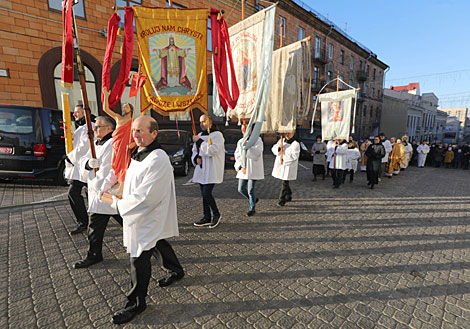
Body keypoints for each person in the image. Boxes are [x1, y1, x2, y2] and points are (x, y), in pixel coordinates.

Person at [101, 116, 184, 324]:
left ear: (154, 133)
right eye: (134, 130)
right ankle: (176, 269)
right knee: (156, 243)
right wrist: (117, 191)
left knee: (139, 257)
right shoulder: (138, 153)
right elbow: (132, 182)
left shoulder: (158, 158)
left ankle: (136, 303)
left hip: (148, 214)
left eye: (141, 131)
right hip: (139, 212)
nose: (136, 135)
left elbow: (147, 196)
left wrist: (117, 203)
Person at [74, 116, 122, 268]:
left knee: (133, 224)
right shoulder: (94, 143)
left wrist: (103, 186)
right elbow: (83, 160)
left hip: (109, 192)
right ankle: (94, 254)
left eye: (98, 127)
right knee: (94, 226)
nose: (94, 129)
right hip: (98, 193)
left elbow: (114, 169)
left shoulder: (114, 144)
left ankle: (163, 255)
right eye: (94, 127)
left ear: (110, 128)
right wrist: (88, 164)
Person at [64, 105, 94, 235]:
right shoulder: (79, 127)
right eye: (74, 112)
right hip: (78, 167)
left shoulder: (90, 126)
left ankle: (102, 218)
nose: (75, 115)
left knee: (92, 194)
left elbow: (84, 146)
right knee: (74, 192)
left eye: (77, 112)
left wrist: (70, 157)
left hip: (87, 166)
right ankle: (83, 222)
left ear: (84, 113)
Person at [192, 115, 225, 228]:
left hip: (212, 169)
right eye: (200, 122)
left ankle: (216, 214)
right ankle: (206, 217)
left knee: (206, 193)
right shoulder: (200, 135)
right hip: (202, 170)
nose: (201, 124)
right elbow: (194, 151)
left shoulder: (217, 135)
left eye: (204, 121)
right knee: (204, 194)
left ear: (210, 122)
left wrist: (200, 142)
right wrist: (196, 159)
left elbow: (213, 150)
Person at [102, 87, 136, 194]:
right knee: (115, 165)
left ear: (131, 109)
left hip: (126, 147)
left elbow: (138, 136)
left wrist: (134, 144)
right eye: (123, 107)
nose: (124, 108)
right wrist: (106, 96)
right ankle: (119, 184)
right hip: (117, 146)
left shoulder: (134, 122)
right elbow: (106, 109)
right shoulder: (118, 118)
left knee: (125, 166)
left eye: (126, 107)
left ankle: (122, 187)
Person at [234, 126, 264, 216]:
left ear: (251, 129)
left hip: (253, 169)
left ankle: (252, 208)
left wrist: (248, 146)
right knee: (241, 189)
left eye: (247, 128)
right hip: (244, 169)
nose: (245, 130)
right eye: (243, 128)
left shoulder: (257, 140)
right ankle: (253, 200)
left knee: (250, 189)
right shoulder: (240, 141)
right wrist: (240, 165)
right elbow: (237, 155)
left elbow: (257, 154)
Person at [272, 131, 300, 206]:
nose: (287, 135)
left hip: (288, 166)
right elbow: (274, 149)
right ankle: (289, 194)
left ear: (293, 133)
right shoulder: (281, 141)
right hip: (281, 165)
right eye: (286, 133)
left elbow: (294, 156)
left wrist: (283, 158)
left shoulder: (295, 144)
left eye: (289, 133)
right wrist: (279, 148)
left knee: (284, 182)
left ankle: (281, 200)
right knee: (284, 182)